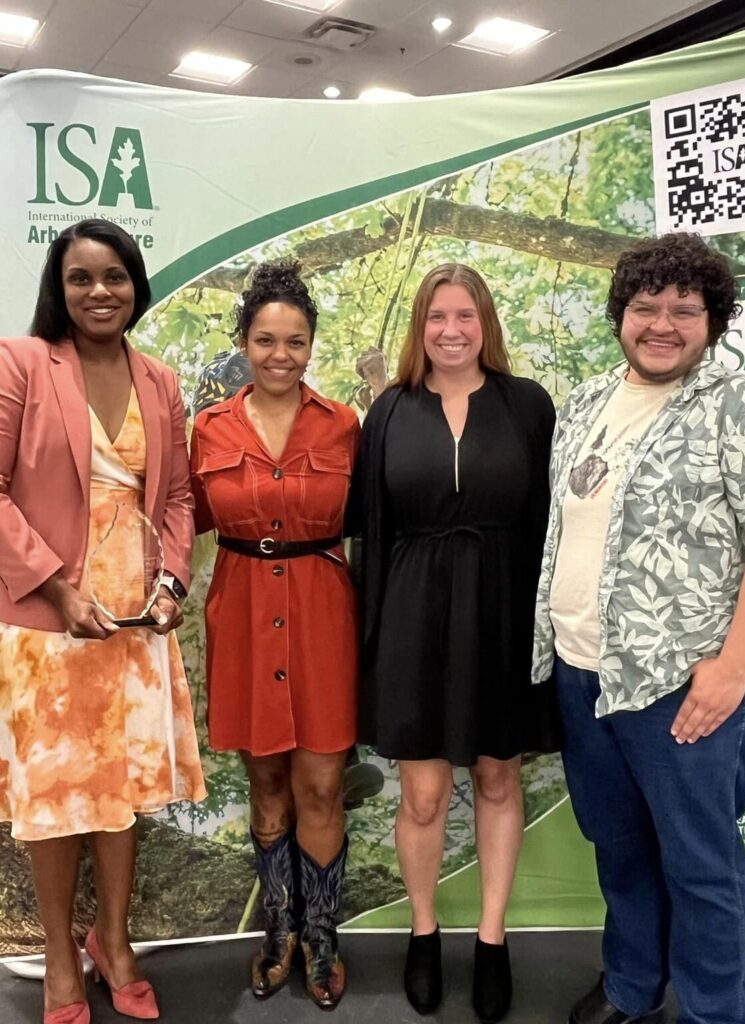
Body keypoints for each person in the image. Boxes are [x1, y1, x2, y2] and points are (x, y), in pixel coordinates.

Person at [532, 232, 745, 1024]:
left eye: (684, 309)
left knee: (701, 866)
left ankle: (715, 1013)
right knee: (621, 849)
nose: (662, 324)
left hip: (688, 682)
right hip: (584, 671)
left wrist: (734, 667)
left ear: (714, 319)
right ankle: (633, 987)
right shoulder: (591, 400)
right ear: (620, 314)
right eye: (645, 307)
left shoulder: (741, 399)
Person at [0, 219, 206, 1024]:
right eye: (81, 277)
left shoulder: (159, 378)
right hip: (49, 625)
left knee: (119, 796)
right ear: (59, 286)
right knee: (55, 801)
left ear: (136, 285)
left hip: (133, 625)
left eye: (115, 276)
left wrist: (172, 582)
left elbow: (182, 497)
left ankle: (112, 942)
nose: (99, 292)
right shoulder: (20, 364)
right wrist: (56, 587)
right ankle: (58, 957)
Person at [351, 263, 557, 1023]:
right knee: (425, 792)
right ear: (420, 326)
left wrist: (546, 629)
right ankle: (424, 930)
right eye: (437, 316)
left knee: (500, 779)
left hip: (503, 611)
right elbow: (371, 533)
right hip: (412, 612)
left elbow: (549, 523)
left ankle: (493, 939)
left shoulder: (529, 406)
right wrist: (372, 639)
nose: (450, 330)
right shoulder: (390, 413)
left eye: (465, 315)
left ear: (485, 323)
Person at [190, 260, 359, 1011]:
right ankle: (279, 933)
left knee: (321, 782)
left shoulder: (346, 424)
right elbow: (172, 518)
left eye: (295, 340)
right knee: (265, 781)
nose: (280, 355)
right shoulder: (209, 429)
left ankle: (322, 934)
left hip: (324, 613)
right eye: (265, 340)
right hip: (245, 612)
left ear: (311, 344)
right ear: (245, 343)